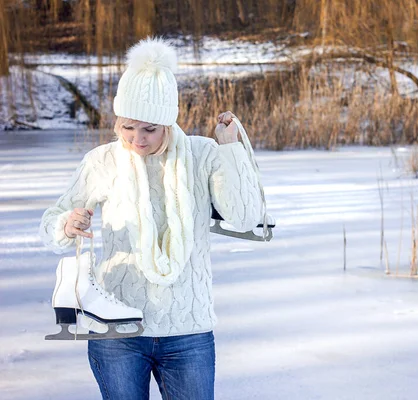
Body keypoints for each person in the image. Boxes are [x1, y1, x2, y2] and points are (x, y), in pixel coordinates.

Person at [38, 36, 264, 400]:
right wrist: (67, 223)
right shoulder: (102, 161)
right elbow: (51, 224)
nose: (137, 139)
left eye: (149, 129)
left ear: (168, 123)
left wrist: (231, 150)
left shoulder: (201, 154)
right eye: (128, 127)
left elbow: (244, 216)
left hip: (188, 332)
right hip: (117, 333)